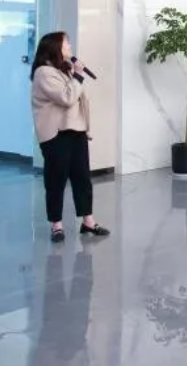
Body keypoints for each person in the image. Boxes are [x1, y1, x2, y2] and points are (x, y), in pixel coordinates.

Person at [30, 32, 109, 242]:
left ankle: (88, 221)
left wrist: (74, 75)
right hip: (57, 134)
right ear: (55, 47)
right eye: (67, 43)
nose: (70, 46)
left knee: (82, 178)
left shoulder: (63, 70)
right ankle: (56, 225)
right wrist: (78, 76)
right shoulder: (44, 72)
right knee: (56, 181)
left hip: (76, 131)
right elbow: (67, 98)